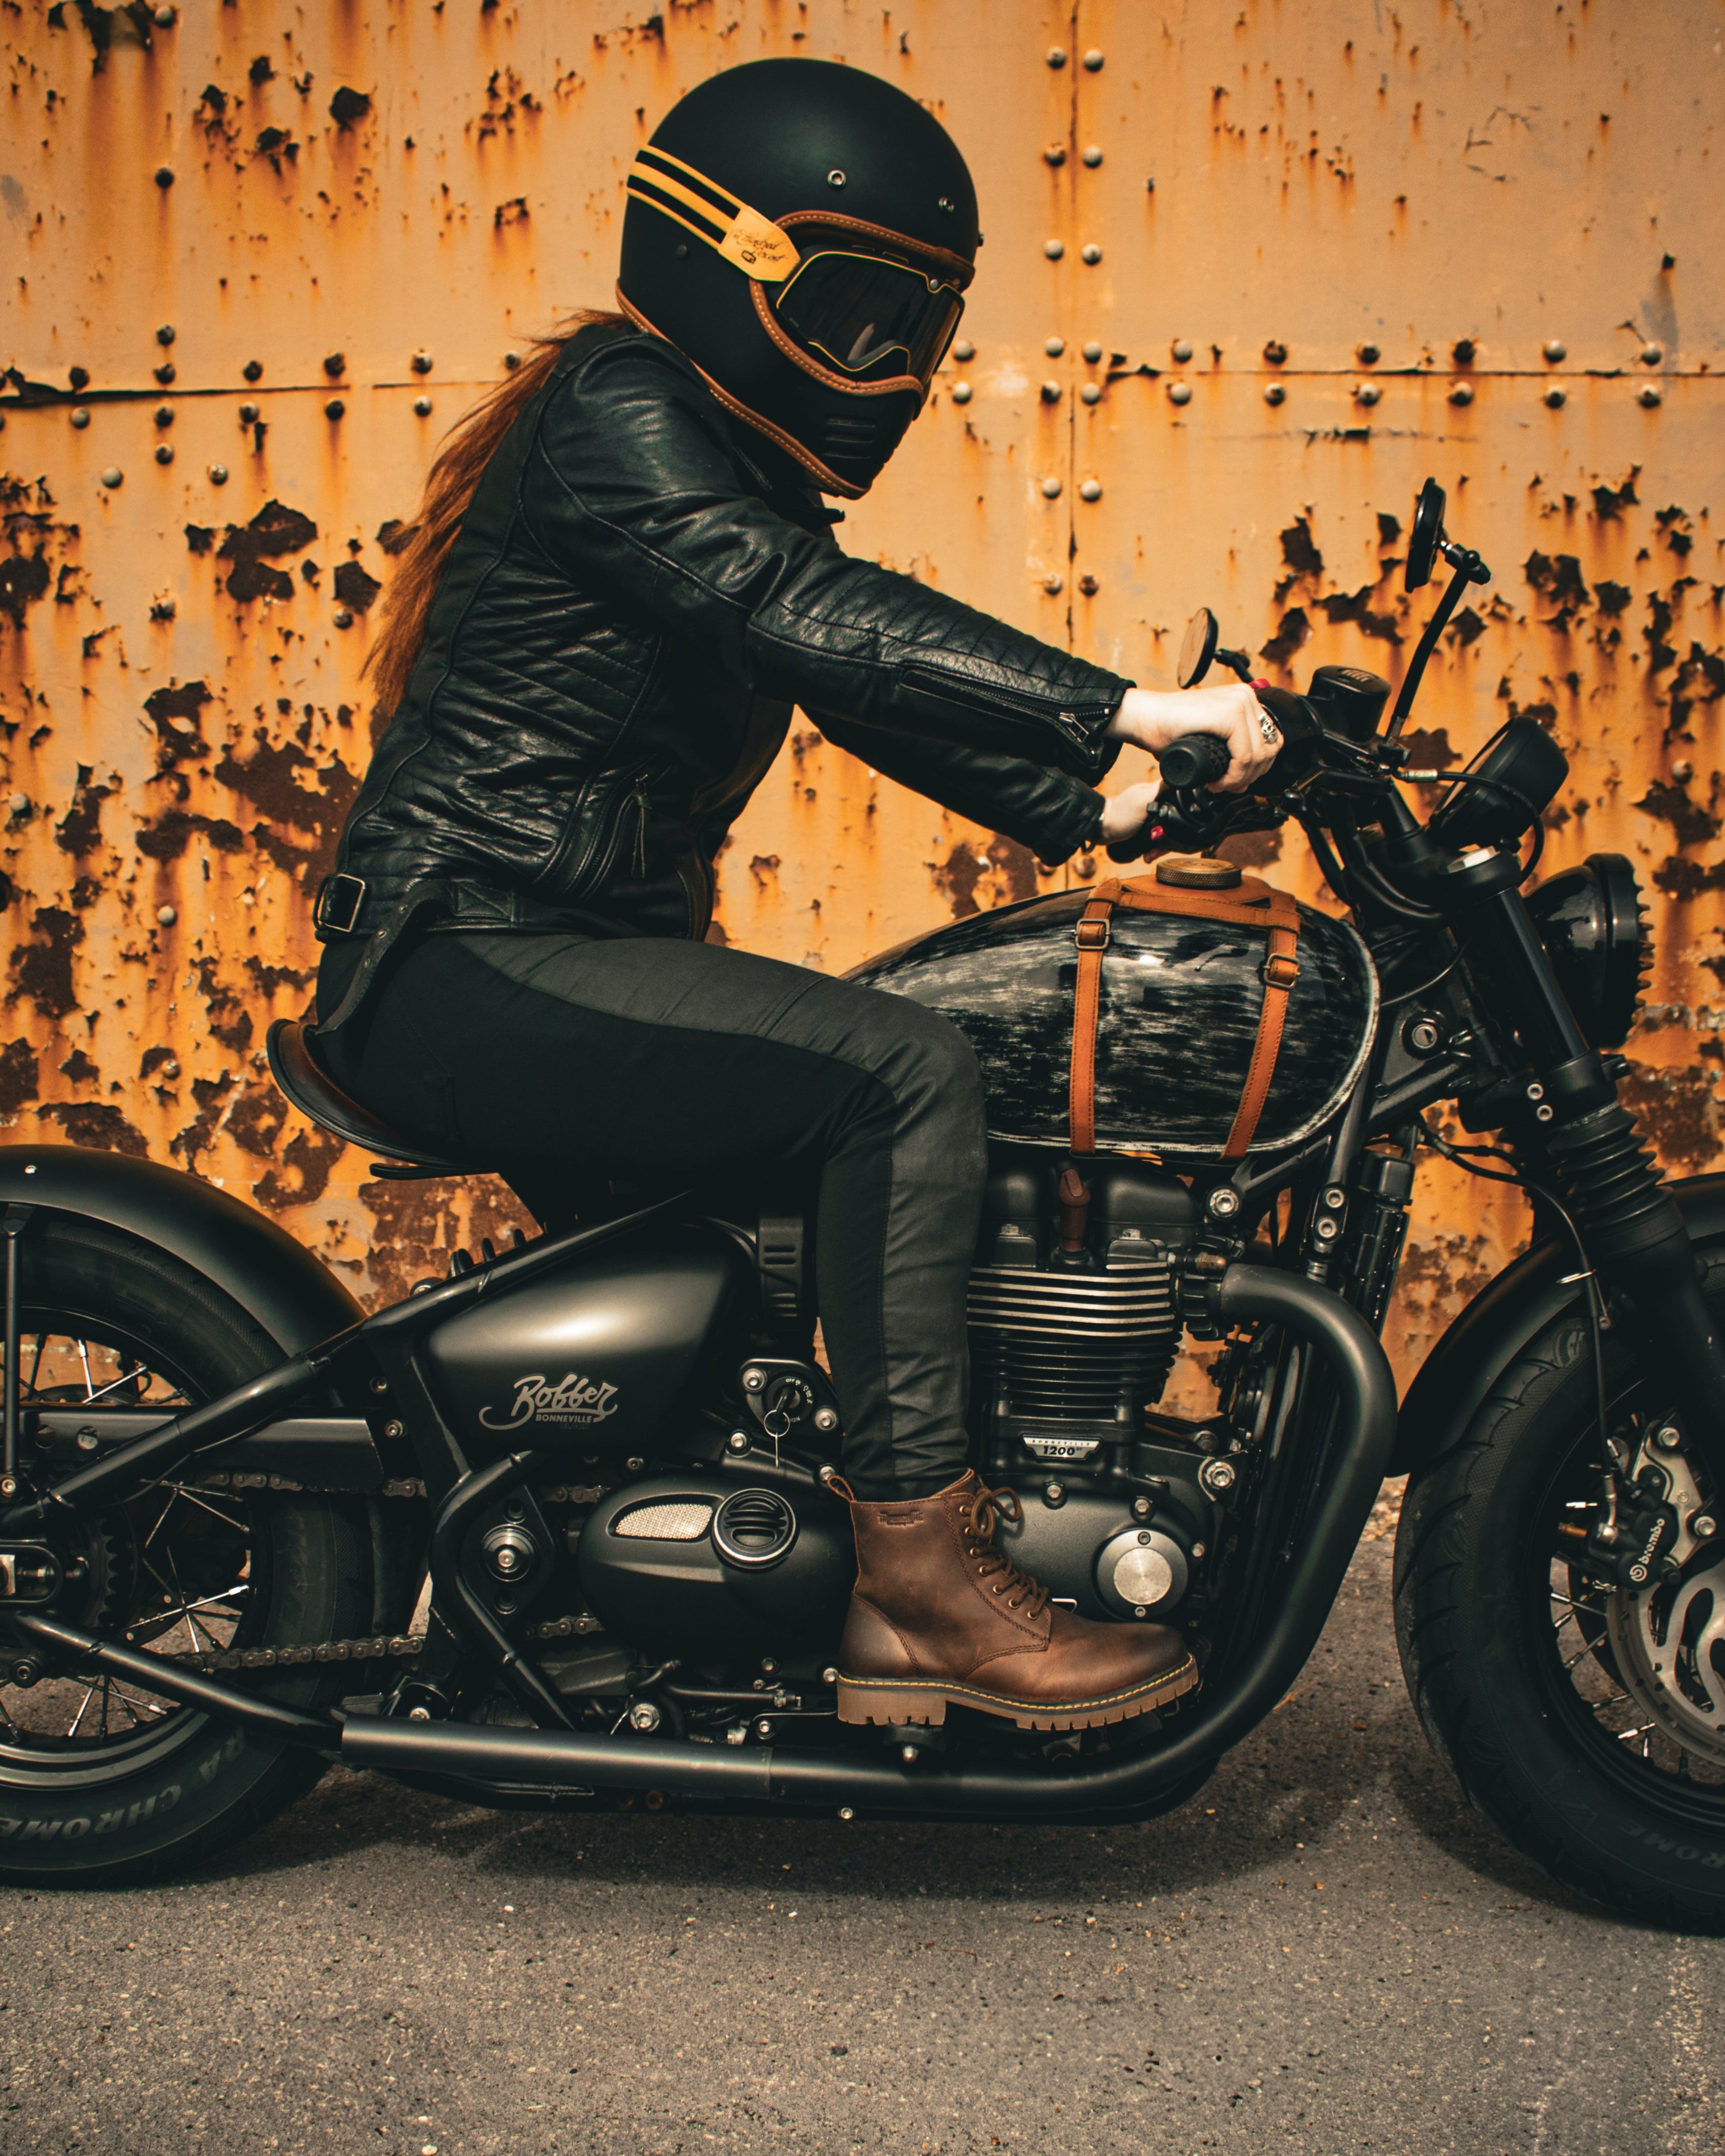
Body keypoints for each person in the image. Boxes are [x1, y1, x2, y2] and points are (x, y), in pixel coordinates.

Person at [313, 58, 1279, 1734]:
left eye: (916, 328)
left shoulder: (714, 462)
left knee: (787, 1232)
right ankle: (919, 1586)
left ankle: (683, 1591)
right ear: (719, 259)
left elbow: (857, 688)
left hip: (547, 953)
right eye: (848, 315)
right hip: (464, 954)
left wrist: (1111, 806)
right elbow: (799, 612)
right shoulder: (621, 410)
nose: (886, 370)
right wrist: (1122, 704)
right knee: (905, 1071)